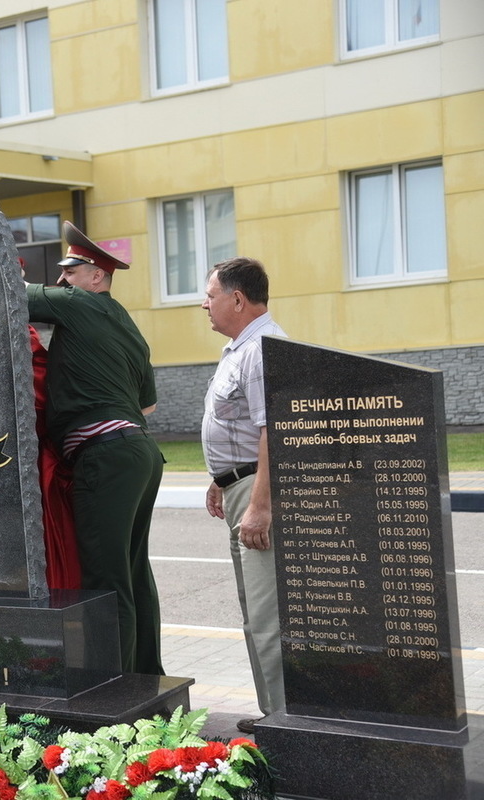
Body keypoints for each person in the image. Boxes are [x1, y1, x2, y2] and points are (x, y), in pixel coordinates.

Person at [26, 222, 164, 675]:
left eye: (70, 271)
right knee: (134, 573)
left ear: (96, 277)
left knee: (105, 581)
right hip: (139, 452)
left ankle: (115, 690)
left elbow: (12, 294)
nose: (62, 280)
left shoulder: (78, 303)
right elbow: (149, 402)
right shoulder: (129, 325)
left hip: (104, 455)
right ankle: (146, 677)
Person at [200, 256, 287, 735]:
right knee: (253, 613)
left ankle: (285, 720)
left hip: (257, 493)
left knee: (267, 612)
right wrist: (222, 477)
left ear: (237, 298)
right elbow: (238, 425)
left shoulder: (262, 349)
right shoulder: (241, 347)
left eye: (210, 295)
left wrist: (259, 503)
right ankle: (273, 712)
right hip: (239, 485)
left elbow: (272, 430)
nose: (204, 305)